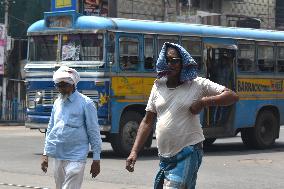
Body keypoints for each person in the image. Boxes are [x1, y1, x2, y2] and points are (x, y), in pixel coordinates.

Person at [125, 42, 239, 189]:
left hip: (188, 151)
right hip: (165, 157)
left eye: (175, 61)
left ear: (183, 63)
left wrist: (204, 102)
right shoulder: (158, 85)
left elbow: (232, 96)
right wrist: (134, 152)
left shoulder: (197, 84)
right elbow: (147, 121)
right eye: (167, 60)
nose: (170, 64)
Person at [41, 66, 102, 189]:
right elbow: (51, 127)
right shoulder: (57, 103)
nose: (60, 89)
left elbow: (94, 132)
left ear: (72, 84)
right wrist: (45, 154)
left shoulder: (86, 103)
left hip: (77, 156)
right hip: (58, 155)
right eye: (58, 86)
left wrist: (96, 159)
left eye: (63, 85)